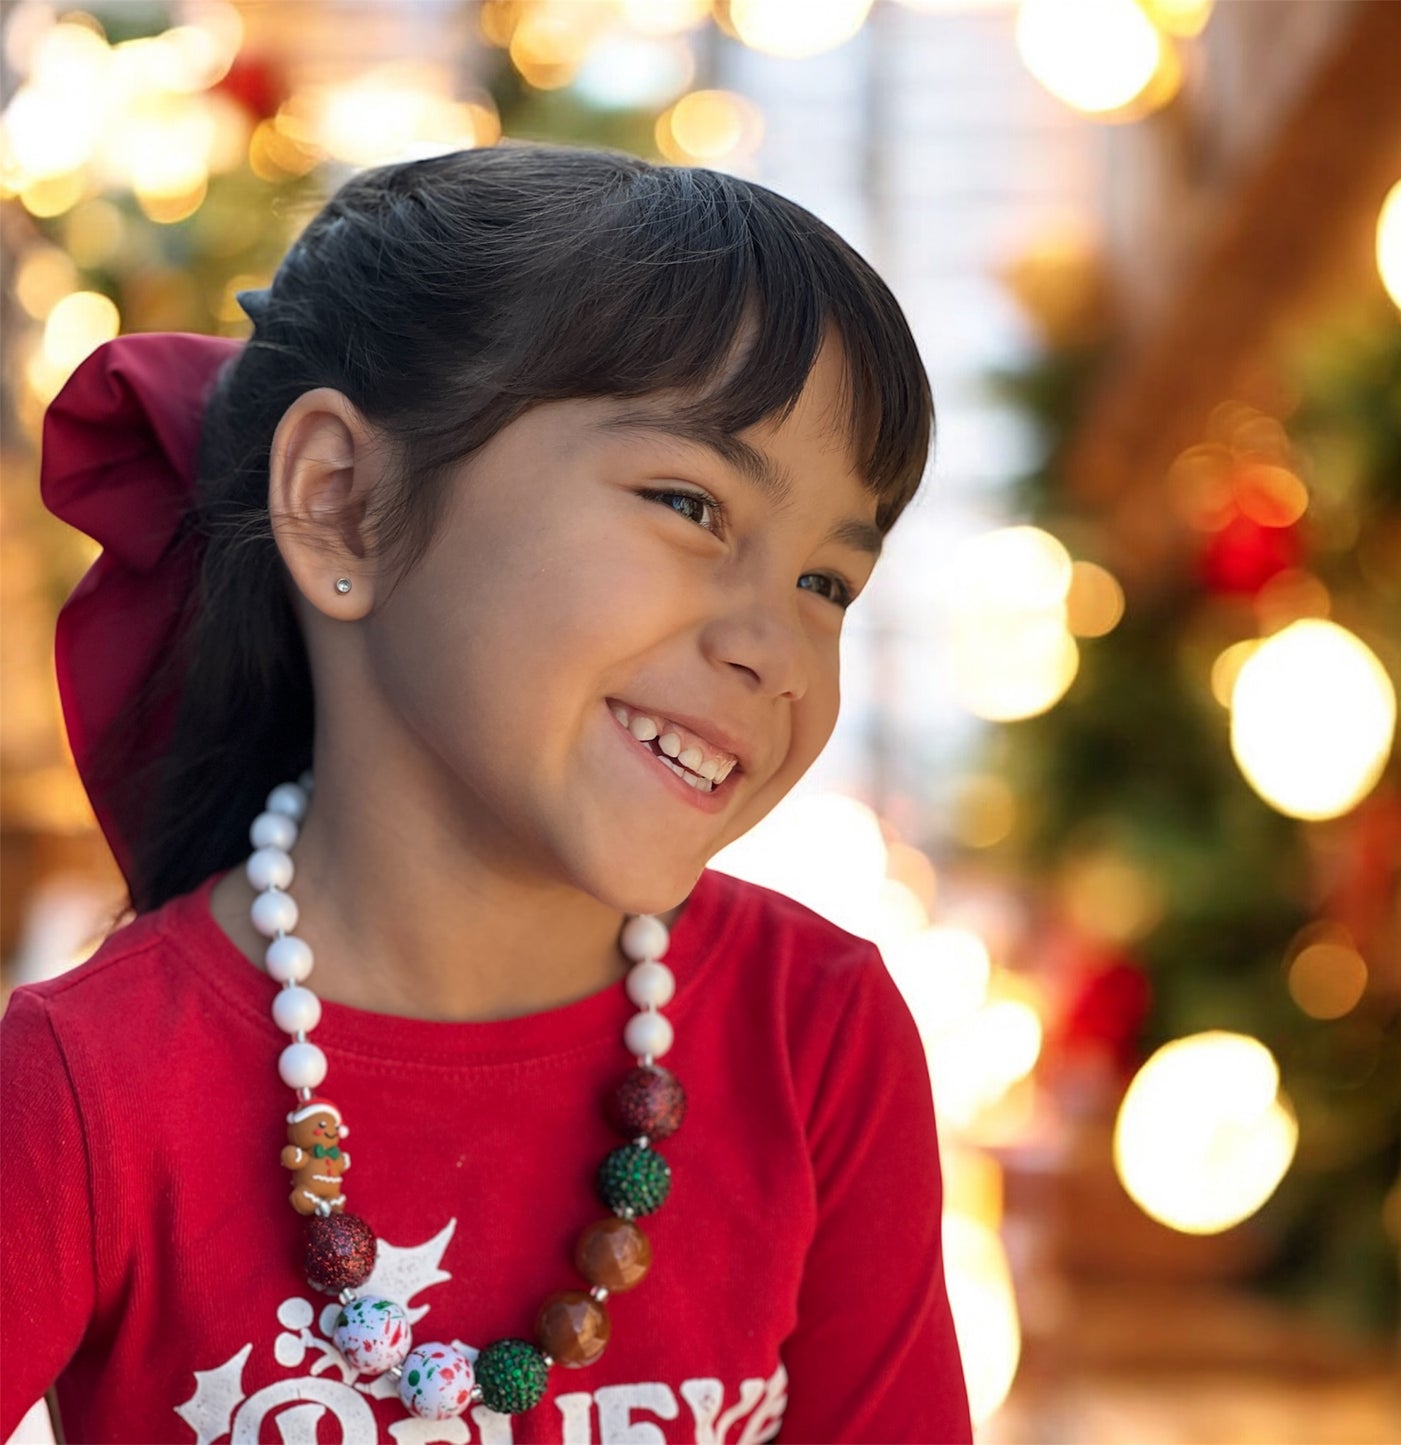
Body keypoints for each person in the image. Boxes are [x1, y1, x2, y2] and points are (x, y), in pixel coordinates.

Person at [0, 143, 972, 1444]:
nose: (774, 646)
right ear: (342, 504)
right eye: (690, 502)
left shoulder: (819, 1039)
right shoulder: (82, 1088)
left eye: (827, 584)